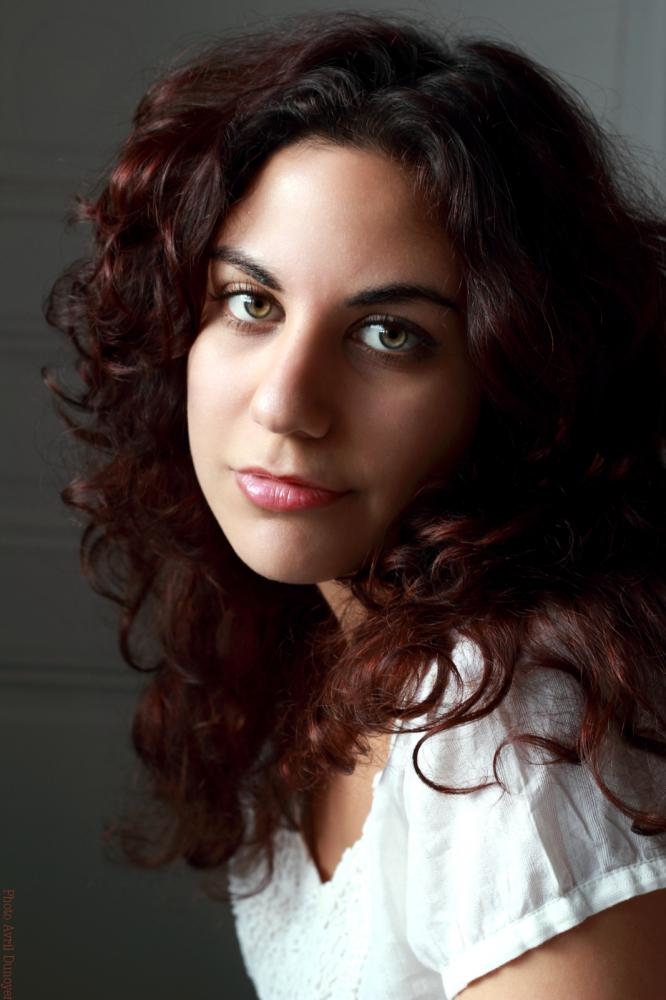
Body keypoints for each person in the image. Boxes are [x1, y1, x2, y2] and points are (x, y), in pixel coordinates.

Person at [44, 11, 666, 999]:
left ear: (516, 377)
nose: (286, 403)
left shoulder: (509, 724)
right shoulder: (327, 636)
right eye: (252, 303)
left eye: (389, 333)